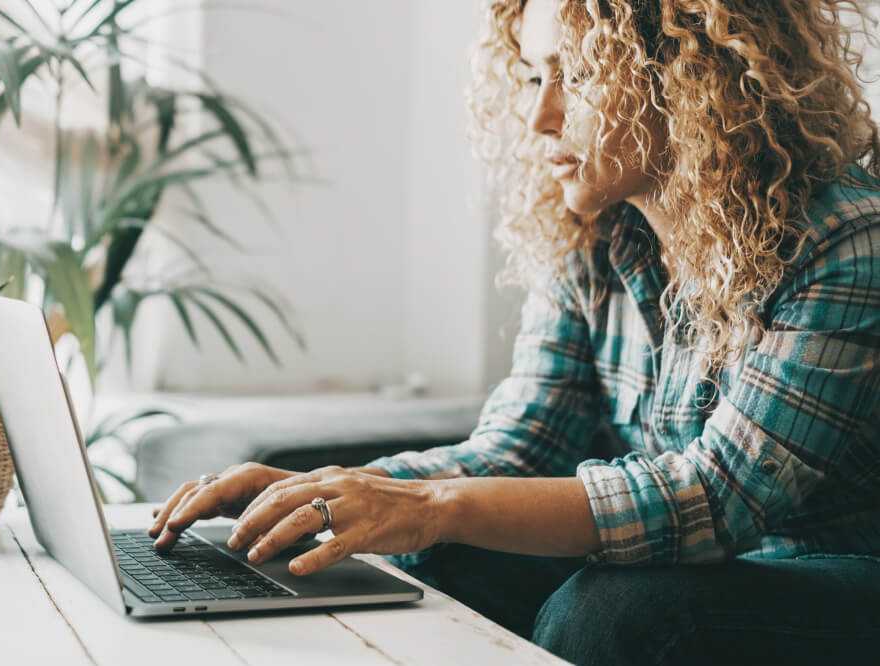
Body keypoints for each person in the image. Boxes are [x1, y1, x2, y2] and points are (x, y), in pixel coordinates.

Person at [149, 0, 880, 663]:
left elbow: (717, 499)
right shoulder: (593, 237)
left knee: (620, 613)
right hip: (713, 562)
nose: (541, 117)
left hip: (839, 573)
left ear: (694, 80)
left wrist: (429, 508)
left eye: (582, 75)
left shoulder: (844, 240)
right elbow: (522, 446)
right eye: (532, 78)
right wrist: (335, 494)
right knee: (441, 555)